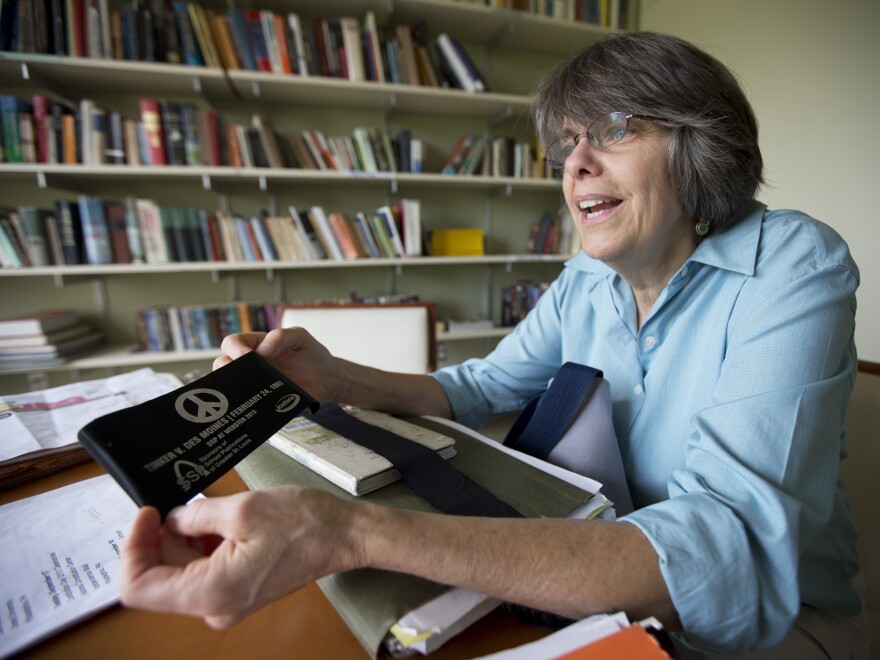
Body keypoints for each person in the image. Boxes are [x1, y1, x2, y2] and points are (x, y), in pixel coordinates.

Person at [120, 32, 870, 658]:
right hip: (602, 585)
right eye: (567, 143)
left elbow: (723, 552)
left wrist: (349, 533)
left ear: (699, 143)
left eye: (612, 129)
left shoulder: (791, 264)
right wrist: (333, 376)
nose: (576, 164)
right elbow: (479, 386)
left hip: (770, 626)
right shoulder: (584, 279)